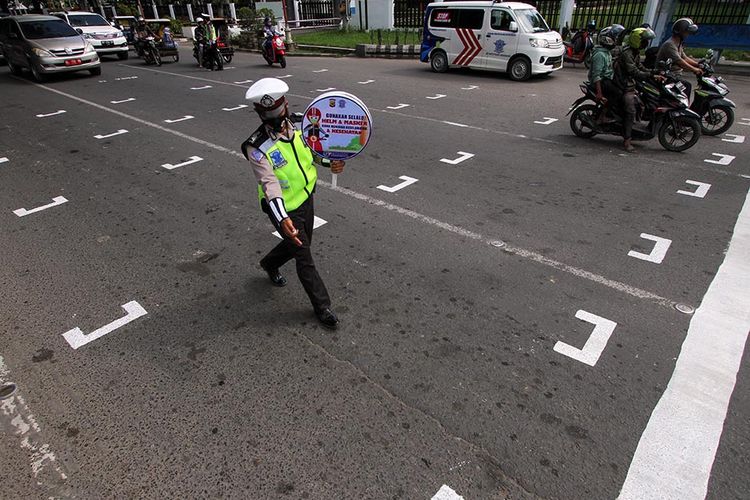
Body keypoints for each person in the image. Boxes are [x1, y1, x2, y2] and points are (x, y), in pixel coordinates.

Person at [241, 78, 345, 330]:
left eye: (277, 111)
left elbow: (312, 153)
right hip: (283, 207)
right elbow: (269, 184)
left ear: (285, 105)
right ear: (258, 113)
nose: (274, 118)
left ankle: (269, 263)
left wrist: (328, 163)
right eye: (267, 114)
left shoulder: (302, 123)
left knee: (300, 242)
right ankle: (322, 306)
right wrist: (283, 218)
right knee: (304, 255)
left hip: (306, 195)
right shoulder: (255, 146)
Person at [615, 27, 664, 152]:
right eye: (644, 41)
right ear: (637, 40)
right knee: (630, 110)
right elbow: (634, 71)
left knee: (642, 102)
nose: (646, 44)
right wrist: (652, 75)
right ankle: (626, 141)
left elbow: (641, 67)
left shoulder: (635, 53)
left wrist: (655, 71)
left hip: (631, 84)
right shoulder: (627, 53)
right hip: (623, 86)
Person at [656, 17, 702, 96]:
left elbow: (684, 57)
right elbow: (679, 61)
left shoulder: (678, 43)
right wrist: (694, 69)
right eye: (686, 32)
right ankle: (682, 107)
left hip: (675, 75)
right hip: (667, 76)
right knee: (686, 86)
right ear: (680, 32)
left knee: (685, 87)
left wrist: (698, 64)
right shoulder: (670, 44)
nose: (688, 34)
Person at [588, 25, 621, 123]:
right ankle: (603, 116)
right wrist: (599, 93)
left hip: (607, 79)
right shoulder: (600, 54)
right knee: (617, 93)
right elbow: (596, 75)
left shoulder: (607, 52)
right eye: (614, 37)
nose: (616, 40)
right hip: (601, 81)